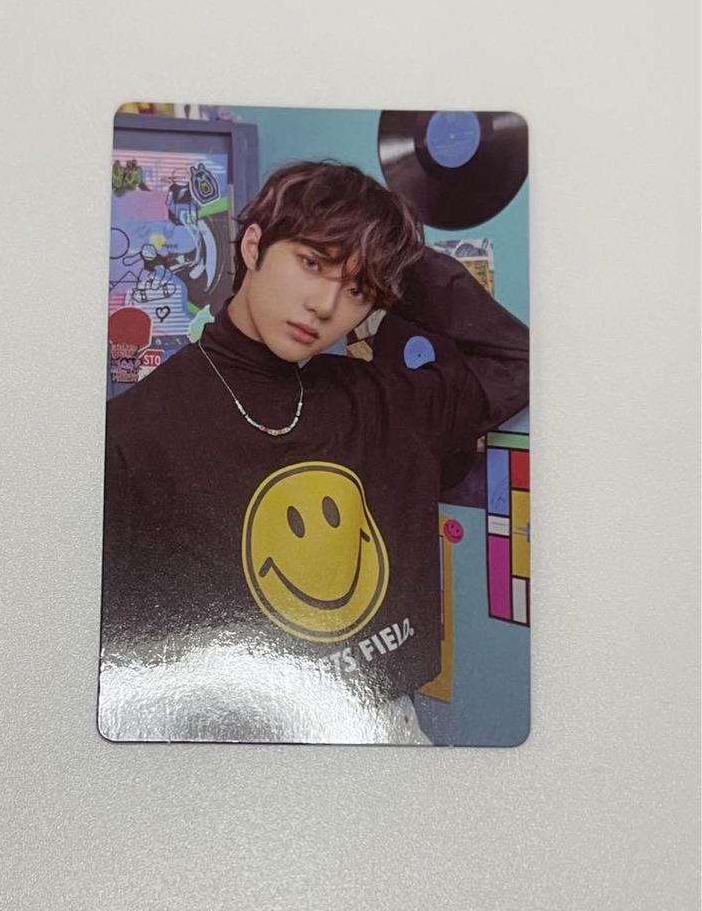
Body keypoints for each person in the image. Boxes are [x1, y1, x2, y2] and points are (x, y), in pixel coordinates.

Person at [98, 160, 529, 745]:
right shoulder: (136, 431)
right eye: (312, 262)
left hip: (383, 731)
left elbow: (515, 360)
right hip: (223, 750)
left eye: (357, 291)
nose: (326, 305)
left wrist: (391, 259)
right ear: (254, 245)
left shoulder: (378, 401)